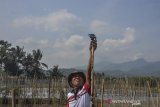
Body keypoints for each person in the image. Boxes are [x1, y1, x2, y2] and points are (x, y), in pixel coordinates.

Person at [66, 39, 97, 107]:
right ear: (71, 82)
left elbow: (88, 73)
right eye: (74, 76)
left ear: (83, 80)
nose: (77, 77)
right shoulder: (69, 95)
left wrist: (91, 52)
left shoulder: (85, 89)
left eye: (79, 76)